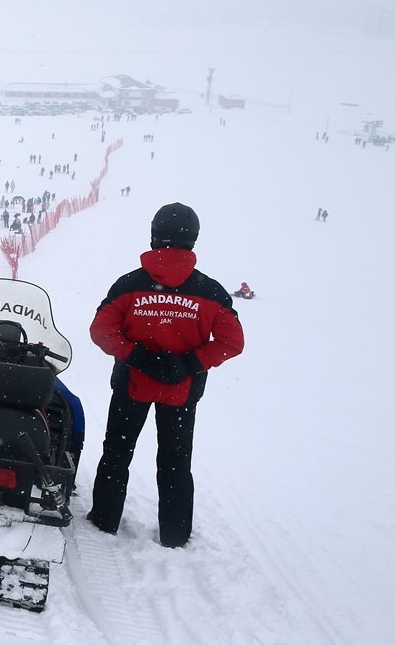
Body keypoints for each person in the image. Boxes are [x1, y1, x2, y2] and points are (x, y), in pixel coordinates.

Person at [86, 203, 245, 548]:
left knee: (117, 453)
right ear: (193, 240)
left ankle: (104, 521)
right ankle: (175, 535)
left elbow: (101, 330)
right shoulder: (210, 291)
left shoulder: (129, 284)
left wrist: (137, 356)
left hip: (132, 385)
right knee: (175, 462)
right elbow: (232, 342)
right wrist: (188, 363)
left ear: (154, 235)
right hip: (181, 392)